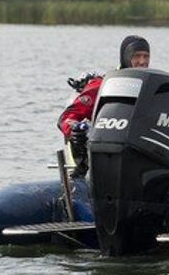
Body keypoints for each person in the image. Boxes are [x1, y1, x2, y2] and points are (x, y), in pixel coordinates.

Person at [58, 35, 150, 172]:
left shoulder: (151, 88)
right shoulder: (103, 85)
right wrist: (76, 130)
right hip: (104, 159)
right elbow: (67, 117)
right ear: (126, 57)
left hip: (139, 157)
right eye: (137, 56)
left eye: (146, 56)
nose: (142, 61)